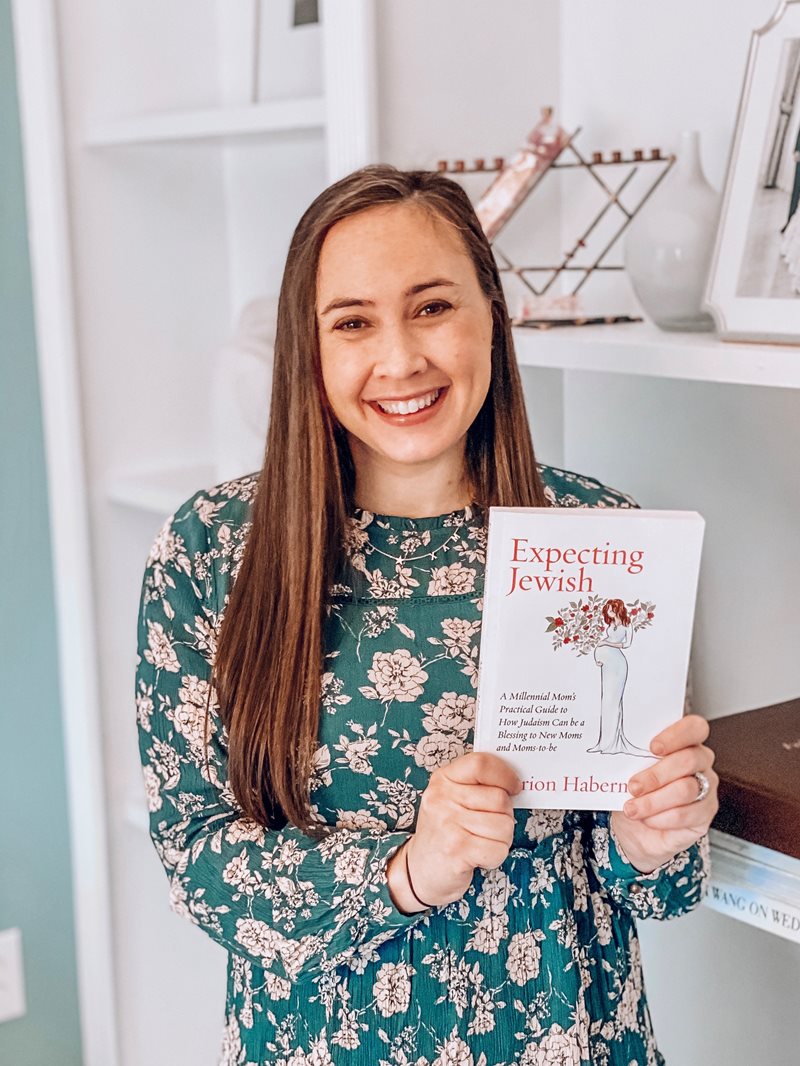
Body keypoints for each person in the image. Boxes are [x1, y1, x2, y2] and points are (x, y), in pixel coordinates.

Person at [135, 164, 718, 1066]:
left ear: (491, 312)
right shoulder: (214, 550)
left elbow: (661, 892)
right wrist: (406, 871)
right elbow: (197, 860)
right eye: (354, 322)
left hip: (569, 1037)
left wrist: (654, 840)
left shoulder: (604, 537)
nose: (400, 359)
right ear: (311, 348)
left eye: (434, 307)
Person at [588, 599, 651, 757]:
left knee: (614, 701)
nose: (608, 612)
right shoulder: (610, 625)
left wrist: (607, 644)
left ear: (617, 609)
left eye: (611, 609)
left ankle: (613, 744)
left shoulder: (626, 625)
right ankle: (603, 743)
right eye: (607, 610)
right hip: (608, 664)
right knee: (606, 701)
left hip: (618, 664)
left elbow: (627, 644)